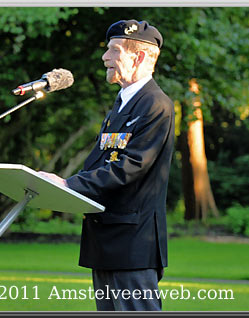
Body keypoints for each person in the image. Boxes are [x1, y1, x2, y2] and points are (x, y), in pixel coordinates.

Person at [39, 19, 175, 311]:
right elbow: (100, 160)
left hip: (132, 243)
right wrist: (63, 185)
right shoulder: (123, 102)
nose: (105, 58)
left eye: (113, 50)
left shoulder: (156, 104)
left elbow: (131, 165)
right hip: (108, 237)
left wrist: (68, 184)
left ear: (137, 56)